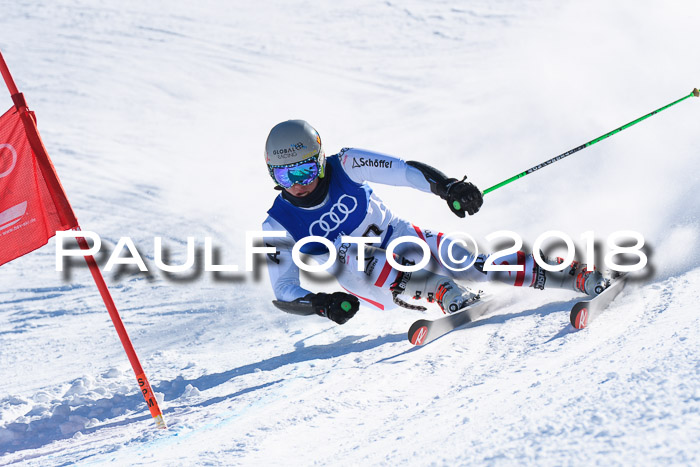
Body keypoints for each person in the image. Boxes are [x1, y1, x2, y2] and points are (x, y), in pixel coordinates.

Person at [262, 120, 607, 325]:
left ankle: (570, 274)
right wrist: (322, 304)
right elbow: (284, 291)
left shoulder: (348, 163)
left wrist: (447, 187)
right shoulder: (278, 225)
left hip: (401, 237)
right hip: (366, 277)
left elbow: (404, 171)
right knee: (349, 253)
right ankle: (440, 290)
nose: (299, 182)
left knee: (471, 263)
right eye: (285, 174)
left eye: (306, 169)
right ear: (272, 174)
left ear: (321, 160)